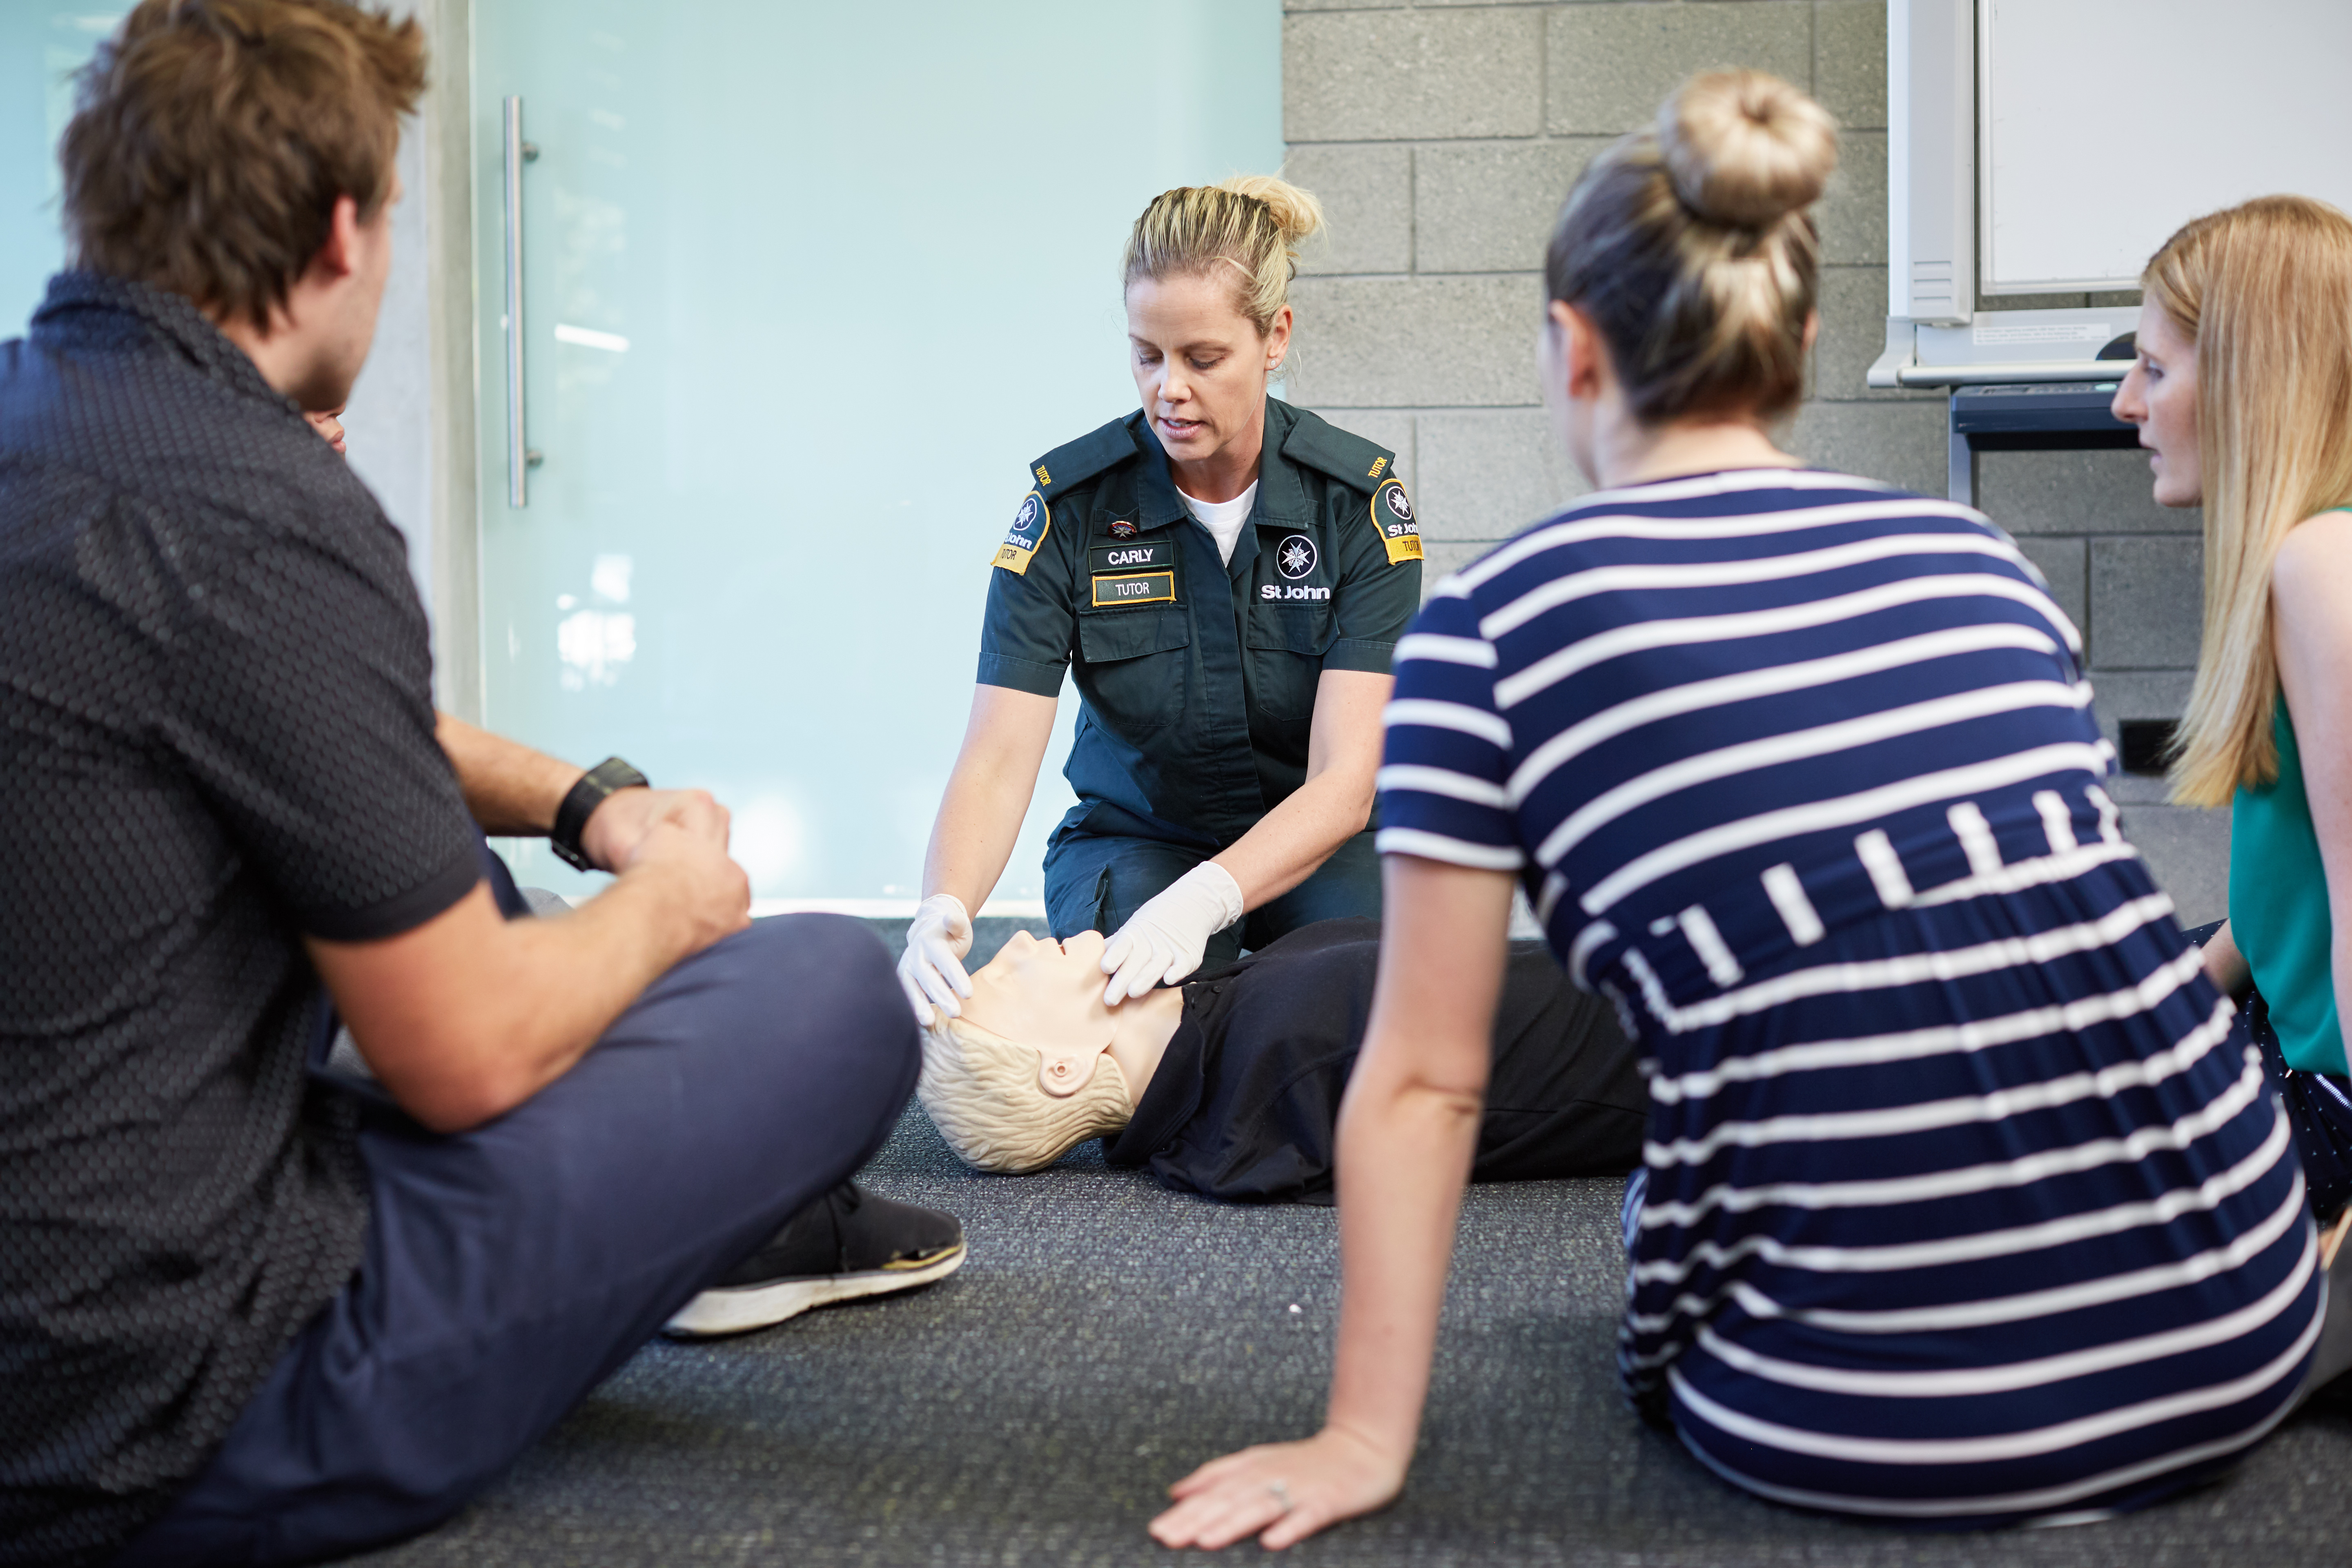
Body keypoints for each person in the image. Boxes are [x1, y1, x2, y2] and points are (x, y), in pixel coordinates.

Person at [1150, 71, 2341, 1552]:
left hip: (1854, 1410)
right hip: (2244, 1313)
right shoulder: (1978, 564)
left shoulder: (1495, 626)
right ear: (1803, 347)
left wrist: (1361, 1437)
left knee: (1663, 1208)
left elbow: (1427, 1085)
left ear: (1575, 351)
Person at [0, 7, 958, 1565]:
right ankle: (662, 1237)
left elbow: (302, 723)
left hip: (64, 1233)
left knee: (443, 865)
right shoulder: (259, 504)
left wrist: (585, 802)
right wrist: (663, 896)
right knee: (832, 993)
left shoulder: (44, 426)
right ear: (339, 235)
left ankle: (636, 1211)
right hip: (154, 1419)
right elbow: (464, 1057)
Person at [898, 177, 1424, 1025]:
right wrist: (942, 908)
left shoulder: (1355, 506)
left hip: (1319, 845)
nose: (1168, 388)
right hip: (1139, 842)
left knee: (1357, 1022)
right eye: (1148, 354)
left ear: (1275, 337)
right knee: (1137, 1040)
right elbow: (997, 758)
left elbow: (1344, 783)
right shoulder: (1070, 510)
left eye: (1203, 358)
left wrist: (1212, 896)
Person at [2109, 196, 2352, 1236]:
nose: (2126, 402)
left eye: (2155, 370)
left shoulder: (2321, 567)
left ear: (2254, 384)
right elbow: (2287, 888)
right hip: (2284, 1002)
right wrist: (2170, 1009)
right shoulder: (2307, 550)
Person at [918, 920, 1645, 1200]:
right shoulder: (1282, 1072)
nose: (1014, 943)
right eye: (1005, 980)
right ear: (1065, 1067)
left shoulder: (1223, 1017)